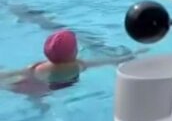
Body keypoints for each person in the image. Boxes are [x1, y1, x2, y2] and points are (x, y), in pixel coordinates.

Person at [0, 29, 143, 98]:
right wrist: (128, 57)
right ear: (74, 52)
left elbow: (16, 73)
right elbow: (103, 62)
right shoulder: (78, 66)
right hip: (48, 88)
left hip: (33, 81)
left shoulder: (38, 67)